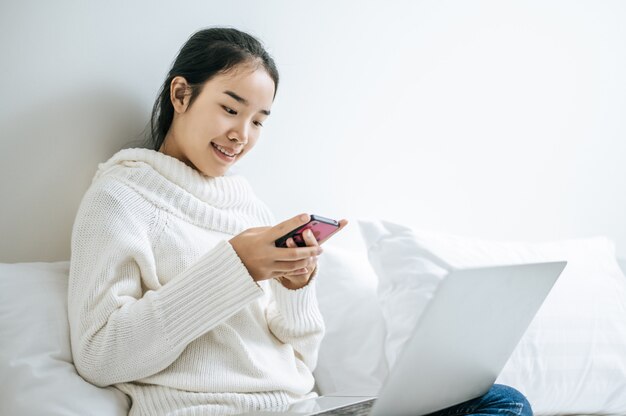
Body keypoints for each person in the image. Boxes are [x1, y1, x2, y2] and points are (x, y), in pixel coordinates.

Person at [67, 27, 532, 416]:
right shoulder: (120, 197)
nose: (241, 135)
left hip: (302, 409)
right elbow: (100, 354)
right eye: (230, 109)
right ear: (181, 94)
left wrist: (295, 288)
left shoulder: (249, 208)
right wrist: (237, 267)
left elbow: (303, 359)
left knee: (501, 402)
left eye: (258, 121)